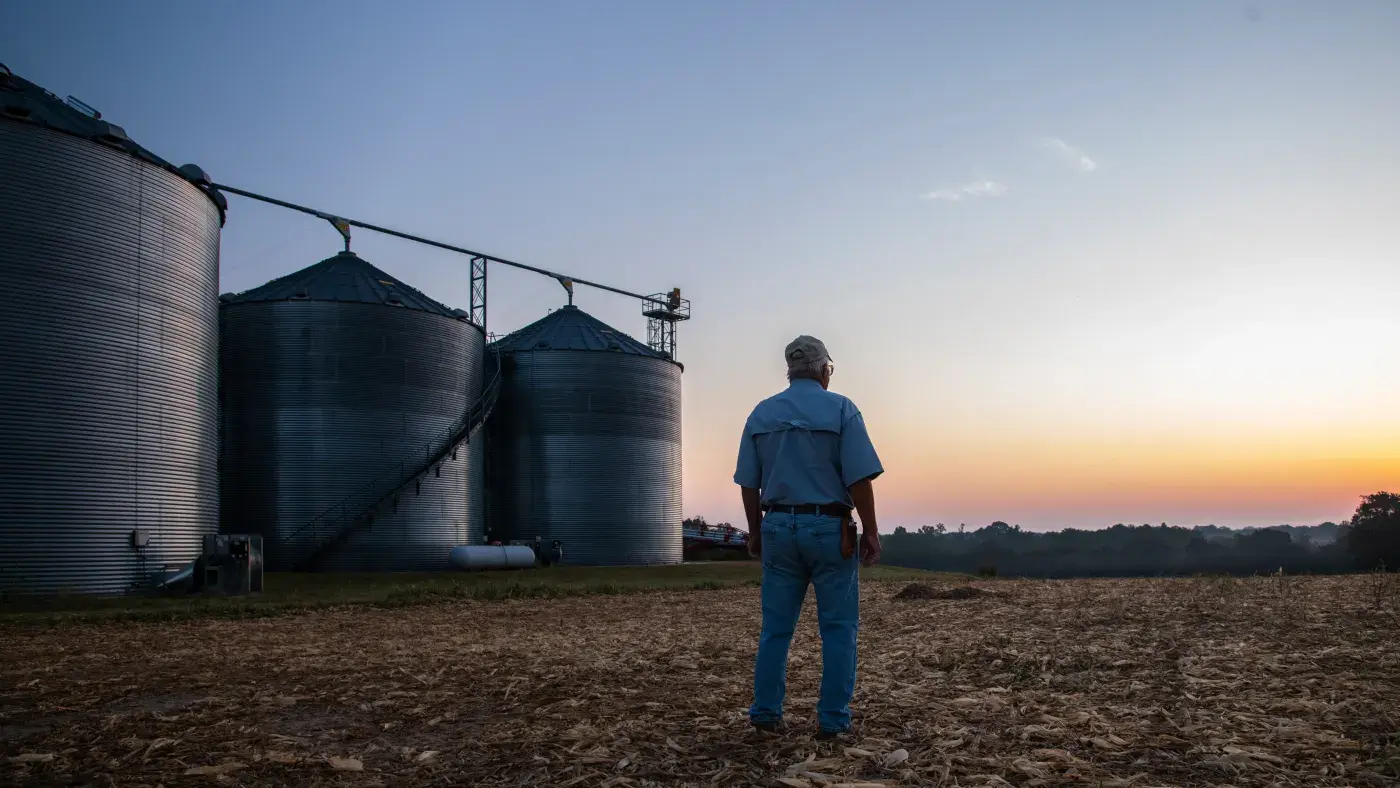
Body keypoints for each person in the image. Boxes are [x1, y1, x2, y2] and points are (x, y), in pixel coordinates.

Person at [734, 335, 883, 739]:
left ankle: (766, 713)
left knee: (776, 629)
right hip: (829, 529)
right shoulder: (842, 410)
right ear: (824, 370)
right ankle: (832, 721)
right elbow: (859, 478)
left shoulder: (761, 414)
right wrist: (870, 530)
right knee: (838, 628)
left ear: (789, 370)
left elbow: (748, 483)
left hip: (778, 525)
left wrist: (755, 532)